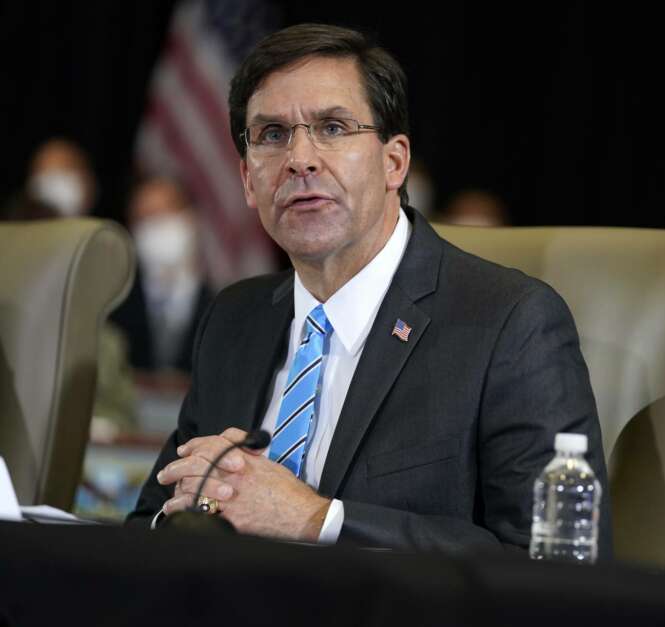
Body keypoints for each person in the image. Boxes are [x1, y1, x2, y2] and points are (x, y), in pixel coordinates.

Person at [127, 23, 611, 555]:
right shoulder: (233, 318)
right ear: (246, 179)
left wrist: (318, 520)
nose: (300, 159)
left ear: (394, 162)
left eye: (332, 128)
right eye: (271, 135)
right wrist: (199, 509)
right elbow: (151, 522)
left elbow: (551, 566)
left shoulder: (509, 324)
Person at [110, 176, 213, 376]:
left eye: (167, 213)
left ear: (191, 219)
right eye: (146, 218)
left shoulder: (224, 308)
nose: (157, 226)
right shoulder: (114, 313)